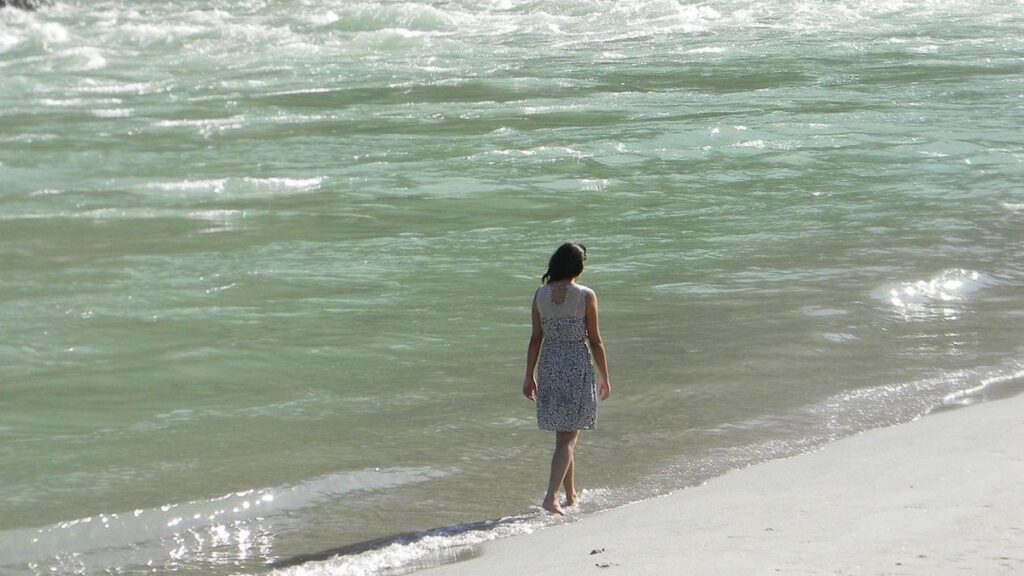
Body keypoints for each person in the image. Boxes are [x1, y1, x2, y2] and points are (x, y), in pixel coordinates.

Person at [522, 242, 611, 515]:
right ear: (578, 266)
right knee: (568, 438)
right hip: (575, 364)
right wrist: (605, 375)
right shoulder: (585, 295)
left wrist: (529, 375)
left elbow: (536, 338)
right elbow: (595, 340)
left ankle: (570, 495)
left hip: (549, 364)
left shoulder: (540, 294)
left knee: (564, 435)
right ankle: (551, 497)